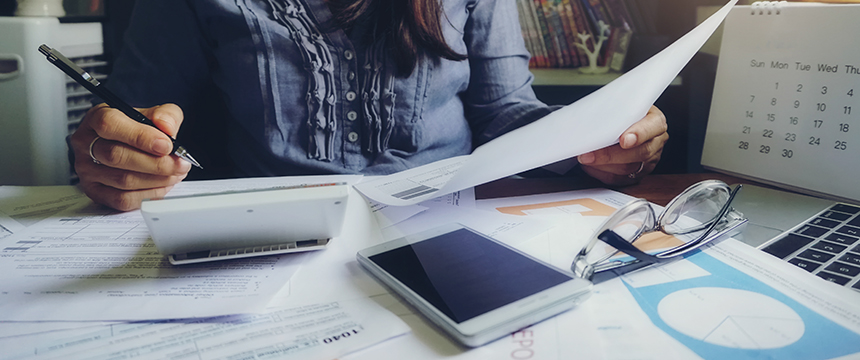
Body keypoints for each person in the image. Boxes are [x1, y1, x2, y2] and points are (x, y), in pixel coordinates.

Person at [69, 0, 668, 211]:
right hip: (269, 235)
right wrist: (116, 152)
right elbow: (134, 114)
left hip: (446, 219)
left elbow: (506, 112)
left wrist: (598, 138)